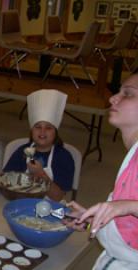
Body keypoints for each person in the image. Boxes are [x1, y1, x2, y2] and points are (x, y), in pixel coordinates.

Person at [65, 74, 138, 269]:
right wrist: (94, 221)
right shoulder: (133, 155)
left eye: (128, 94)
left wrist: (126, 206)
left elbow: (129, 207)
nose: (113, 98)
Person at [3, 89, 74, 201]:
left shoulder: (63, 157)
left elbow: (58, 197)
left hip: (49, 208)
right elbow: (6, 181)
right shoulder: (22, 151)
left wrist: (41, 174)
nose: (42, 131)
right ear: (31, 130)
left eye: (48, 128)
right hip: (20, 202)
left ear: (55, 132)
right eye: (38, 127)